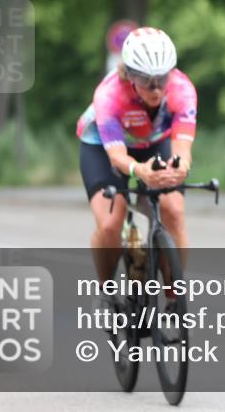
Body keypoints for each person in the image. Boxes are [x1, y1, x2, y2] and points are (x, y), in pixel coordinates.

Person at [75, 27, 197, 297]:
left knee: (174, 211)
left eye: (162, 79)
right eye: (145, 80)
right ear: (129, 74)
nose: (156, 89)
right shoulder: (109, 94)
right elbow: (118, 157)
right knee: (110, 223)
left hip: (154, 141)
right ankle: (106, 292)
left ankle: (174, 298)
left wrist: (180, 168)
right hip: (101, 147)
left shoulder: (183, 89)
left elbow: (182, 149)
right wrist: (139, 171)